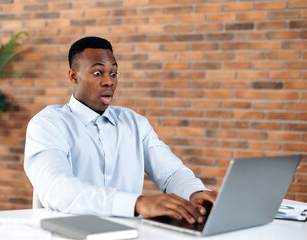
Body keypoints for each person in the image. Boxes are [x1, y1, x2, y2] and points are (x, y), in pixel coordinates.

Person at [24, 36, 217, 224]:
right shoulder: (47, 124)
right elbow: (58, 188)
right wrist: (137, 204)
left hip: (129, 233)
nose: (109, 81)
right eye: (98, 73)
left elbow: (171, 173)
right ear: (73, 76)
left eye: (114, 73)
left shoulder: (134, 123)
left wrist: (195, 193)